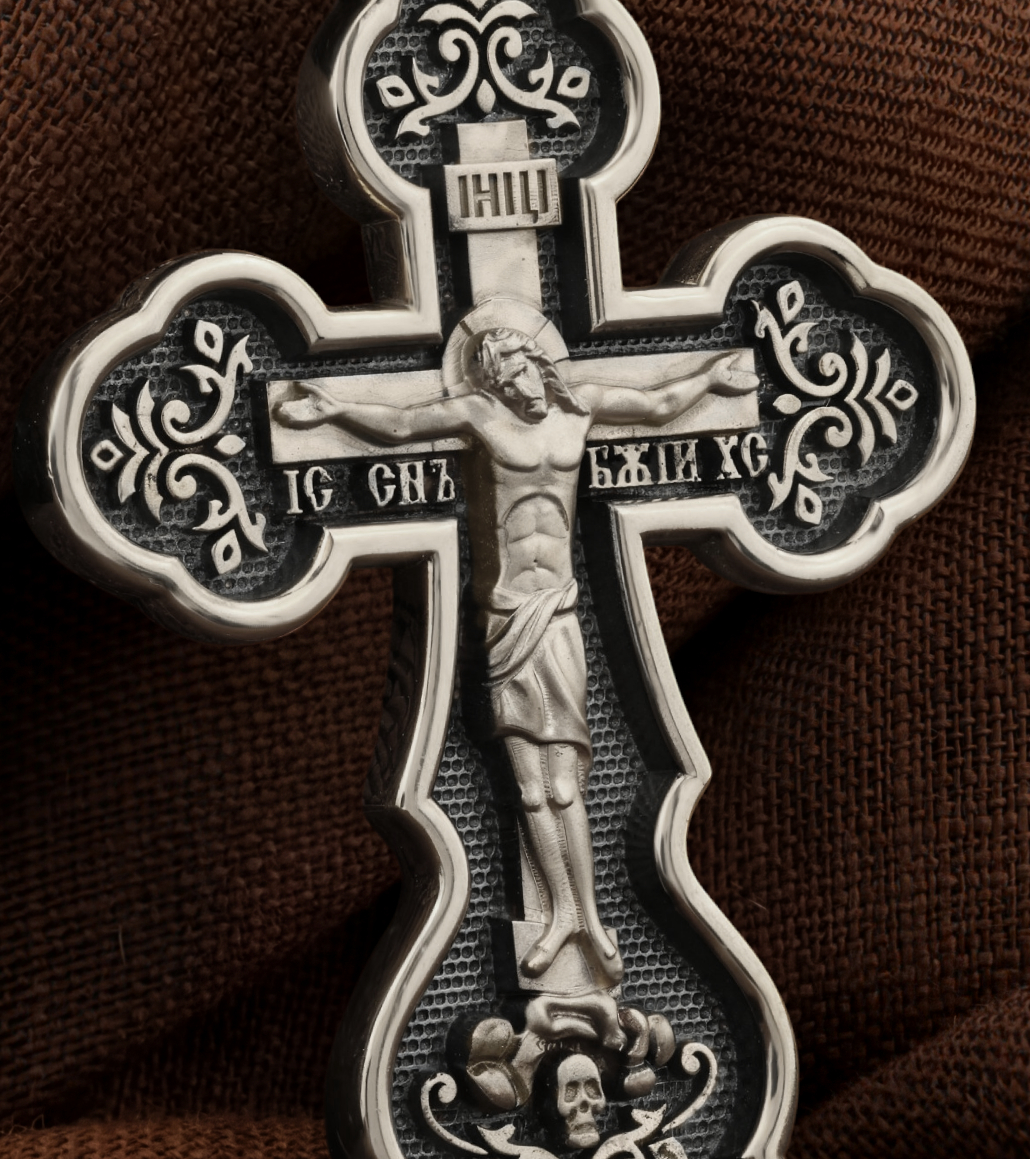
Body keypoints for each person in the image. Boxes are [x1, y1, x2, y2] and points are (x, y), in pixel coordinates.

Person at [280, 318, 756, 983]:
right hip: (506, 618)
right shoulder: (479, 417)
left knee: (566, 783)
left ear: (539, 363)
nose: (519, 388)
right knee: (531, 790)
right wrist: (334, 409)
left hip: (556, 615)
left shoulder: (581, 406)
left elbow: (657, 405)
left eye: (522, 372)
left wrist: (710, 376)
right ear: (491, 385)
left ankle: (587, 918)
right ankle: (559, 915)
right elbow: (403, 424)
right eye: (504, 381)